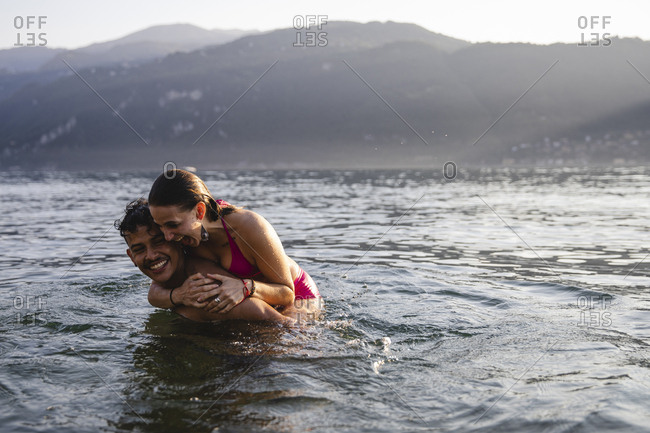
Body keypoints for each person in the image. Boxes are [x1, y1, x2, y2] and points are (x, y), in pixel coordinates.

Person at [146, 169, 322, 316]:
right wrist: (179, 295)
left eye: (172, 225)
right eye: (160, 226)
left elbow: (287, 294)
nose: (167, 236)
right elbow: (155, 292)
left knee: (287, 344)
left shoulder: (248, 227)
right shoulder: (180, 237)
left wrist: (245, 287)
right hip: (252, 301)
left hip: (299, 295)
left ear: (199, 211)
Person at [115, 198, 293, 323]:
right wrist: (177, 296)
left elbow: (264, 314)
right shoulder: (169, 286)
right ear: (131, 257)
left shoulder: (204, 283)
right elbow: (153, 294)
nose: (151, 256)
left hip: (292, 300)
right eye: (139, 250)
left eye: (159, 242)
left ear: (174, 238)